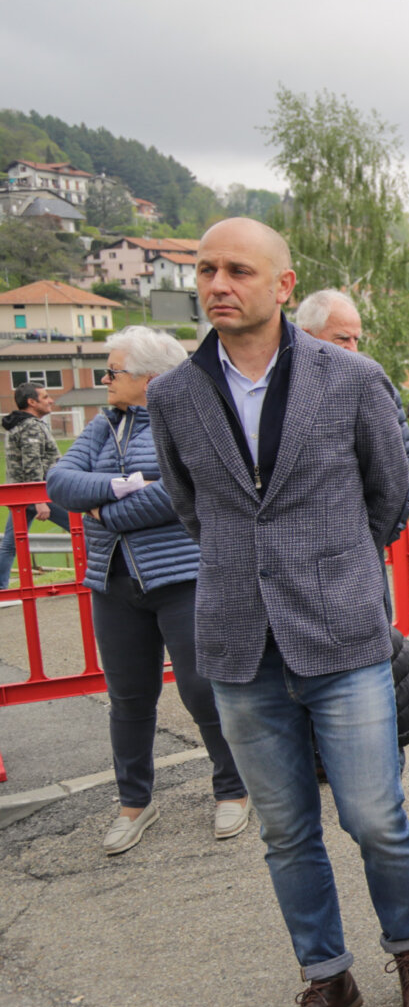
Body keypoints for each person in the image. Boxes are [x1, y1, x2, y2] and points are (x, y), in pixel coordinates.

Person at [147, 217, 409, 1007]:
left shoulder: (350, 378)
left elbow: (388, 493)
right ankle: (327, 979)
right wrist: (255, 570)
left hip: (343, 636)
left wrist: (331, 567)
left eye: (238, 269)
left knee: (374, 817)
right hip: (238, 645)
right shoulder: (173, 396)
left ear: (283, 285)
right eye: (206, 270)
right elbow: (190, 506)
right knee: (285, 831)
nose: (217, 284)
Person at [47, 327, 248, 853]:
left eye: (114, 372)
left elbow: (178, 495)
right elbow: (60, 484)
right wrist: (120, 486)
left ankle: (233, 788)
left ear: (151, 380)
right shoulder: (102, 424)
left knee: (203, 689)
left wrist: (101, 512)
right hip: (112, 582)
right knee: (129, 699)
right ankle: (134, 803)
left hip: (182, 577)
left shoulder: (192, 419)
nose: (104, 380)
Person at [295, 289, 409, 522]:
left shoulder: (372, 384)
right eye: (343, 339)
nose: (353, 349)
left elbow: (406, 471)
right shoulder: (275, 390)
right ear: (306, 336)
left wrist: (369, 540)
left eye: (356, 339)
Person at [2, 384, 71, 588]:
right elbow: (32, 463)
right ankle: (101, 577)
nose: (51, 400)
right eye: (46, 397)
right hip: (39, 493)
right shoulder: (31, 426)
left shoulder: (17, 424)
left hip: (20, 495)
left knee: (9, 544)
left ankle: (1, 589)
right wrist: (39, 500)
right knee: (84, 531)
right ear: (31, 402)